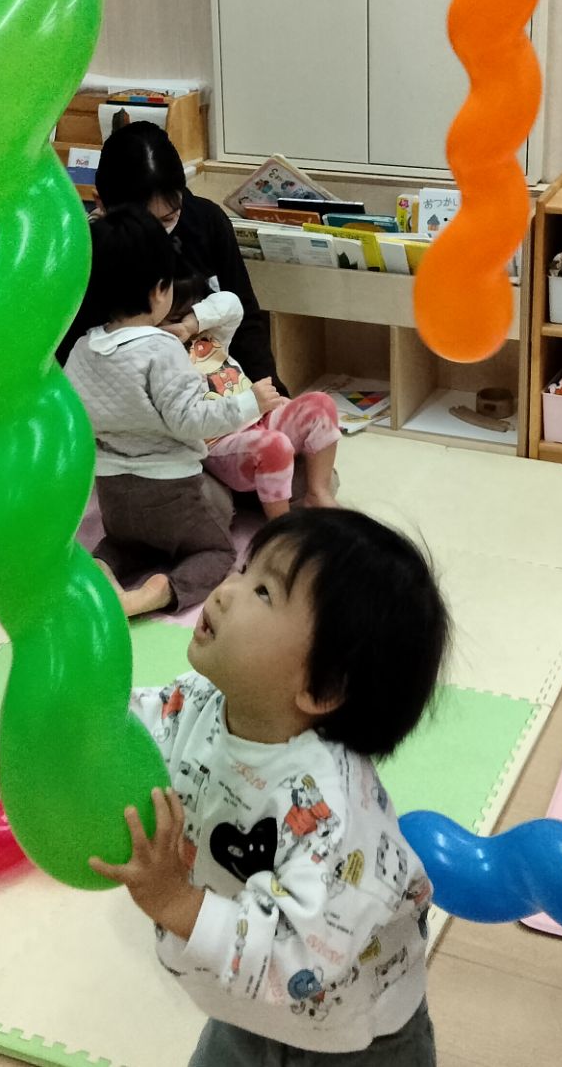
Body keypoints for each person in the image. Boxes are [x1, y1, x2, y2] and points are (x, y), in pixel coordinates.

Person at [91, 509, 451, 1067]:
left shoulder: (329, 809)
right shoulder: (200, 701)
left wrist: (176, 902)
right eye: (242, 568)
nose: (224, 591)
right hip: (242, 1005)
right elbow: (128, 729)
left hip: (352, 1035)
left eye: (263, 591)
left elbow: (299, 955)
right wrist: (75, 709)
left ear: (322, 687)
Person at [66, 208, 281, 617]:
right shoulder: (161, 349)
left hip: (113, 493)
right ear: (159, 290)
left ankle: (100, 570)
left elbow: (76, 418)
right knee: (217, 551)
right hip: (170, 490)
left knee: (124, 544)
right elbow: (191, 420)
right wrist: (251, 401)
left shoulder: (82, 349)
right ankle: (151, 595)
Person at [61, 120, 278, 388]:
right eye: (141, 223)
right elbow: (71, 353)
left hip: (212, 384)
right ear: (102, 204)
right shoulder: (88, 252)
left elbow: (245, 318)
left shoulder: (206, 222)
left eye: (167, 219)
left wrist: (273, 395)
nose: (155, 238)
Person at [165, 276, 342, 517]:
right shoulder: (161, 356)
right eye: (174, 319)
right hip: (220, 442)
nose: (180, 326)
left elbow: (231, 303)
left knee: (321, 403)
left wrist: (193, 323)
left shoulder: (212, 335)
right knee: (274, 446)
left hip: (259, 418)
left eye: (189, 313)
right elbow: (190, 420)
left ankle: (318, 493)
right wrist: (250, 402)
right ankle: (280, 524)